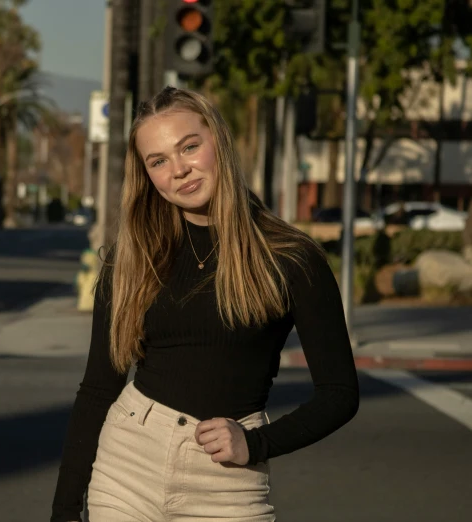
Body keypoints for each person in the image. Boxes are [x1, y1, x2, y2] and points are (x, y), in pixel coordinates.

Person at [51, 87, 359, 522]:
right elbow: (99, 388)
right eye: (158, 161)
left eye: (189, 147)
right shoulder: (132, 259)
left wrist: (254, 444)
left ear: (219, 141)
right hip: (127, 466)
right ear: (147, 176)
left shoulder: (291, 257)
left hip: (227, 483)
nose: (179, 170)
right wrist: (64, 511)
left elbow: (340, 394)